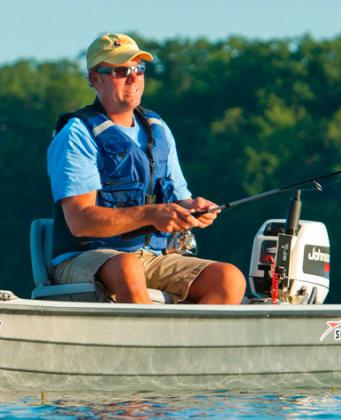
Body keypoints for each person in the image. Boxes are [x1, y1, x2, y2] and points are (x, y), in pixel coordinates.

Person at [46, 33, 246, 304]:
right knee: (127, 267)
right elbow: (80, 221)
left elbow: (178, 198)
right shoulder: (77, 133)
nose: (133, 77)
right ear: (95, 78)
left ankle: (183, 345)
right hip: (83, 258)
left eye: (139, 69)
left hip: (152, 257)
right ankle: (147, 344)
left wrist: (193, 208)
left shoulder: (158, 128)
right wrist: (152, 214)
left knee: (228, 279)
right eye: (120, 70)